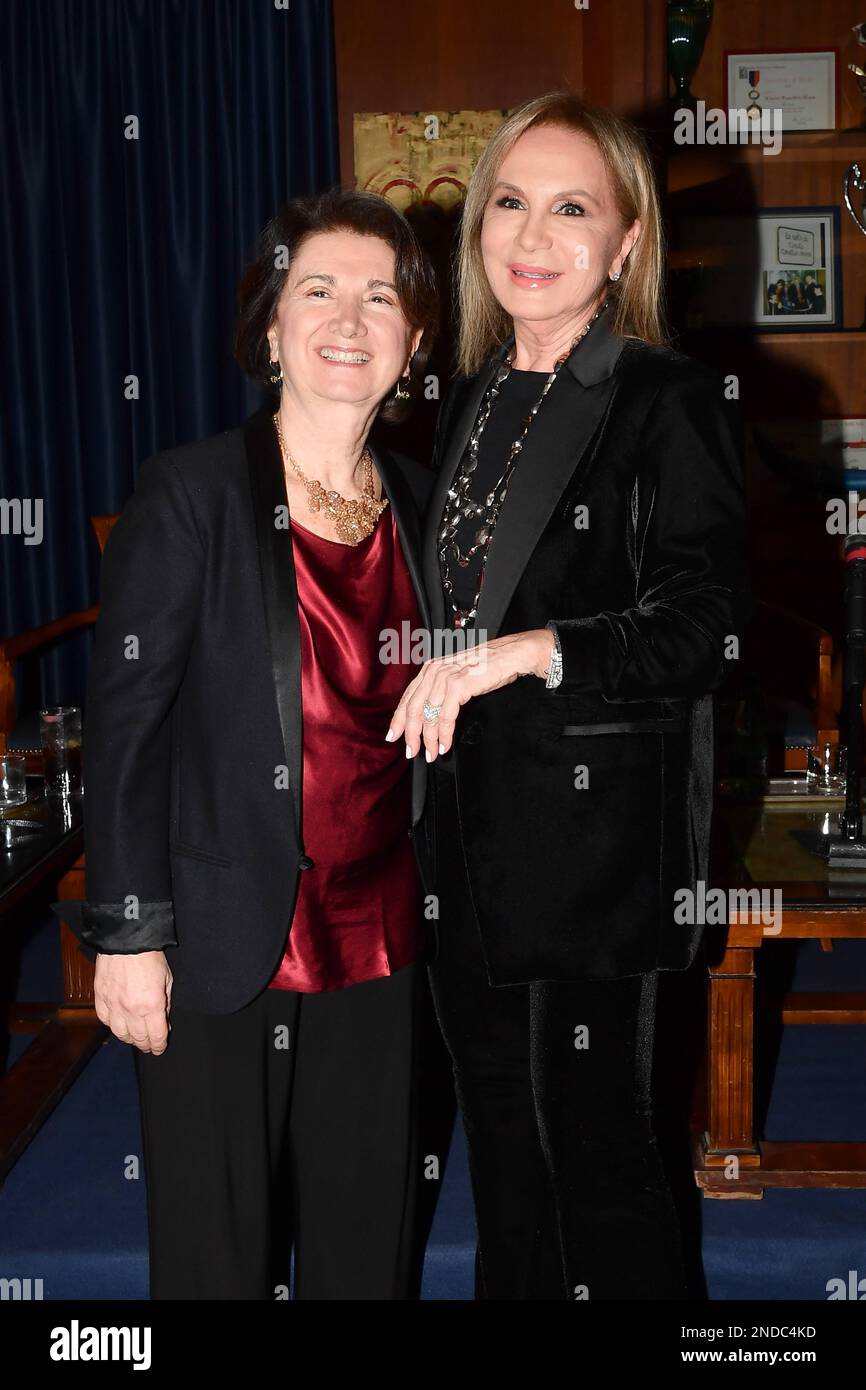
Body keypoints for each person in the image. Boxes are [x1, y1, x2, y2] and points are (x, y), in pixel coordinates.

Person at [388, 92, 749, 1300]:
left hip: (599, 861)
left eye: (570, 207)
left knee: (603, 1169)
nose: (530, 233)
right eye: (507, 201)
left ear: (625, 243)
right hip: (462, 844)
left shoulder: (663, 398)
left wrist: (527, 649)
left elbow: (701, 627)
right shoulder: (473, 398)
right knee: (504, 1164)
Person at [54, 189, 439, 1300]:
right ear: (270, 328)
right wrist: (125, 934)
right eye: (316, 288)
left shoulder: (421, 501)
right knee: (215, 1247)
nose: (347, 317)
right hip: (221, 933)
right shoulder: (192, 491)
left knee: (367, 1238)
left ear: (411, 342)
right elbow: (125, 724)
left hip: (377, 930)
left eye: (380, 296)